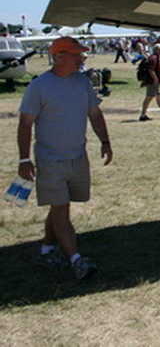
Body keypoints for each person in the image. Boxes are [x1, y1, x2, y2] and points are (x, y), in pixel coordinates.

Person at [16, 36, 113, 280]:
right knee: (61, 209)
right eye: (76, 54)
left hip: (78, 156)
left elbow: (94, 114)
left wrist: (105, 141)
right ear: (59, 57)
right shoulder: (39, 86)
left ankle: (47, 250)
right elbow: (25, 123)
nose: (81, 58)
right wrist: (24, 160)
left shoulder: (82, 82)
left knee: (61, 205)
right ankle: (76, 259)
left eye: (81, 54)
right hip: (50, 160)